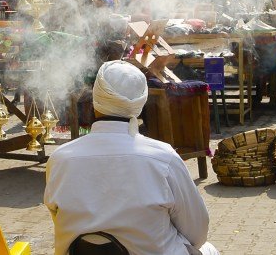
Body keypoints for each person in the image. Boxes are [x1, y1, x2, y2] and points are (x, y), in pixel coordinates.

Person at [44, 60, 218, 255]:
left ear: (95, 100)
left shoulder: (59, 159)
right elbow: (197, 233)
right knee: (208, 249)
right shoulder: (164, 158)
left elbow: (59, 218)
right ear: (140, 103)